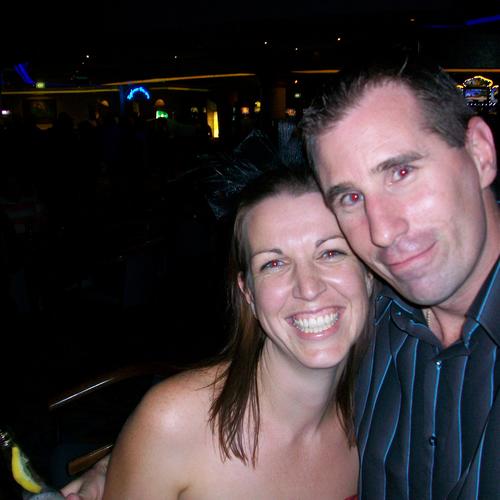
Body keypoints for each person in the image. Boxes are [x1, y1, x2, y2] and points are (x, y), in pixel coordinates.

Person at [63, 167, 375, 499]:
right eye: (273, 263)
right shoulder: (174, 423)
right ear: (248, 292)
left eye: (331, 253)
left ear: (369, 273)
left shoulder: (387, 407)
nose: (308, 288)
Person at [300, 54, 499, 498]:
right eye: (351, 198)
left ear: (480, 154)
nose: (382, 231)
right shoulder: (359, 325)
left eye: (401, 173)